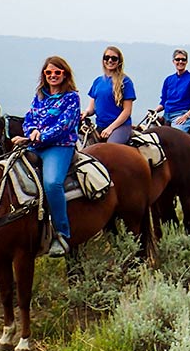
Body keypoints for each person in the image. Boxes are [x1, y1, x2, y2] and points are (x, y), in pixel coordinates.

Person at [12, 56, 80, 257]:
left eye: (57, 72)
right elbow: (30, 117)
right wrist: (31, 131)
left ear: (64, 74)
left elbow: (66, 124)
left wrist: (42, 135)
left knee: (52, 183)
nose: (52, 76)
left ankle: (61, 234)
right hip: (35, 144)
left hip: (59, 146)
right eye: (48, 72)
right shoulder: (40, 95)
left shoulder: (71, 97)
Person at [83, 46, 136, 144]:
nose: (110, 60)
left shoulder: (125, 82)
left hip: (120, 127)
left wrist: (110, 128)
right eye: (107, 58)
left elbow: (127, 111)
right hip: (100, 126)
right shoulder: (97, 81)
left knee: (110, 149)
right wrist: (85, 113)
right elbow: (92, 108)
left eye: (114, 58)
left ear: (119, 61)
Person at [154, 48, 190, 132]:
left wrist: (186, 116)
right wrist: (154, 111)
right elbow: (163, 101)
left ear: (187, 62)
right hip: (166, 115)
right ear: (173, 61)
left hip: (181, 115)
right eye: (177, 59)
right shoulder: (168, 80)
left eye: (183, 59)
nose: (180, 62)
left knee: (174, 139)